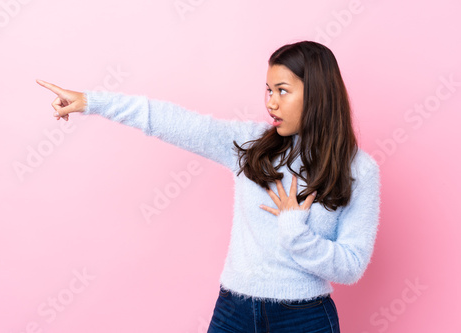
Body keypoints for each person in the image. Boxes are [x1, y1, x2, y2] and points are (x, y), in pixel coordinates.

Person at [36, 40, 380, 332]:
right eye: (268, 90)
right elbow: (172, 121)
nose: (270, 102)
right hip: (235, 312)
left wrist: (296, 233)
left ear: (318, 94)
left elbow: (350, 266)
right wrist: (90, 102)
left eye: (282, 91)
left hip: (305, 319)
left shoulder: (359, 170)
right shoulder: (250, 144)